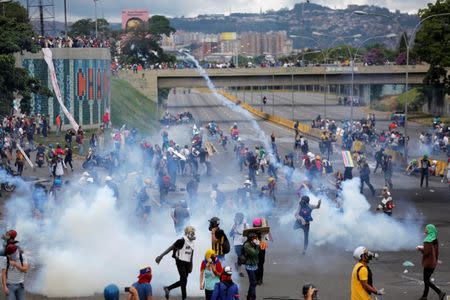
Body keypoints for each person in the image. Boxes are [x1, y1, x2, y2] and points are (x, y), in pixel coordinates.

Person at [156, 226, 196, 300]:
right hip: (180, 261)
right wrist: (161, 256)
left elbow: (191, 253)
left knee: (184, 280)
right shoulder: (181, 240)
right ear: (187, 233)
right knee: (184, 280)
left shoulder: (192, 241)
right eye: (192, 232)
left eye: (194, 233)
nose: (193, 234)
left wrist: (191, 264)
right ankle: (184, 297)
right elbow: (170, 248)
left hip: (187, 262)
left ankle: (168, 288)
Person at [417, 224, 446, 300]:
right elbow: (435, 251)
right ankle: (424, 296)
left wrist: (420, 248)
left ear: (429, 230)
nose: (425, 230)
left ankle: (440, 292)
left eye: (426, 228)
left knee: (426, 280)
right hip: (433, 262)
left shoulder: (427, 240)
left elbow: (426, 252)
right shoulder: (434, 239)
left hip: (428, 263)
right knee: (427, 279)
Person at [242, 232, 259, 300]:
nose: (255, 239)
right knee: (253, 282)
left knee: (253, 283)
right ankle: (253, 297)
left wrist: (256, 245)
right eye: (254, 238)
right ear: (250, 239)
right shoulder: (247, 245)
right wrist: (257, 245)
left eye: (256, 238)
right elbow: (254, 253)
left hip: (255, 265)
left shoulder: (253, 244)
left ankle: (249, 296)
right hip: (249, 266)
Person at [229, 213, 246, 277]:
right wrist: (233, 228)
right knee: (240, 256)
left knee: (242, 257)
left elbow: (249, 232)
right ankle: (240, 271)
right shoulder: (234, 225)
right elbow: (230, 234)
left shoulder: (245, 225)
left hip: (243, 242)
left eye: (239, 218)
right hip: (236, 242)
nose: (238, 219)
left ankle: (237, 265)